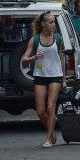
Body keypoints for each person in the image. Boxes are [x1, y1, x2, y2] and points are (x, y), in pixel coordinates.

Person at [22, 11, 65, 148]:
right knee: (40, 111)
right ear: (43, 24)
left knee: (51, 107)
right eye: (51, 22)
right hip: (40, 74)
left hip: (55, 75)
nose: (53, 25)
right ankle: (52, 128)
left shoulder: (58, 39)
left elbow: (61, 59)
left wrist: (63, 78)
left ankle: (49, 138)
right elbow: (24, 60)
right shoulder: (35, 39)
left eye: (54, 22)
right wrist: (34, 57)